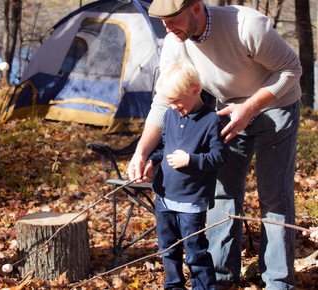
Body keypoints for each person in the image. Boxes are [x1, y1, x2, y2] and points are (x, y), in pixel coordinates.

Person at [128, 0, 302, 289]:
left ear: (196, 7)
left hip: (276, 106)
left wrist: (249, 108)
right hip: (225, 113)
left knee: (273, 196)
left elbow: (291, 70)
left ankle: (278, 281)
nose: (168, 29)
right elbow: (162, 101)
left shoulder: (248, 26)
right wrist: (142, 151)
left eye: (173, 20)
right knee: (222, 193)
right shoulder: (175, 42)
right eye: (163, 23)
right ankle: (220, 277)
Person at [146, 61, 229, 290]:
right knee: (167, 248)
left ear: (195, 88)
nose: (173, 107)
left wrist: (191, 160)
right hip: (164, 196)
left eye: (176, 101)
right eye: (169, 102)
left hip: (191, 200)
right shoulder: (171, 116)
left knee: (195, 252)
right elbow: (164, 145)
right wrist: (152, 161)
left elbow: (220, 157)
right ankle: (173, 286)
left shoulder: (212, 121)